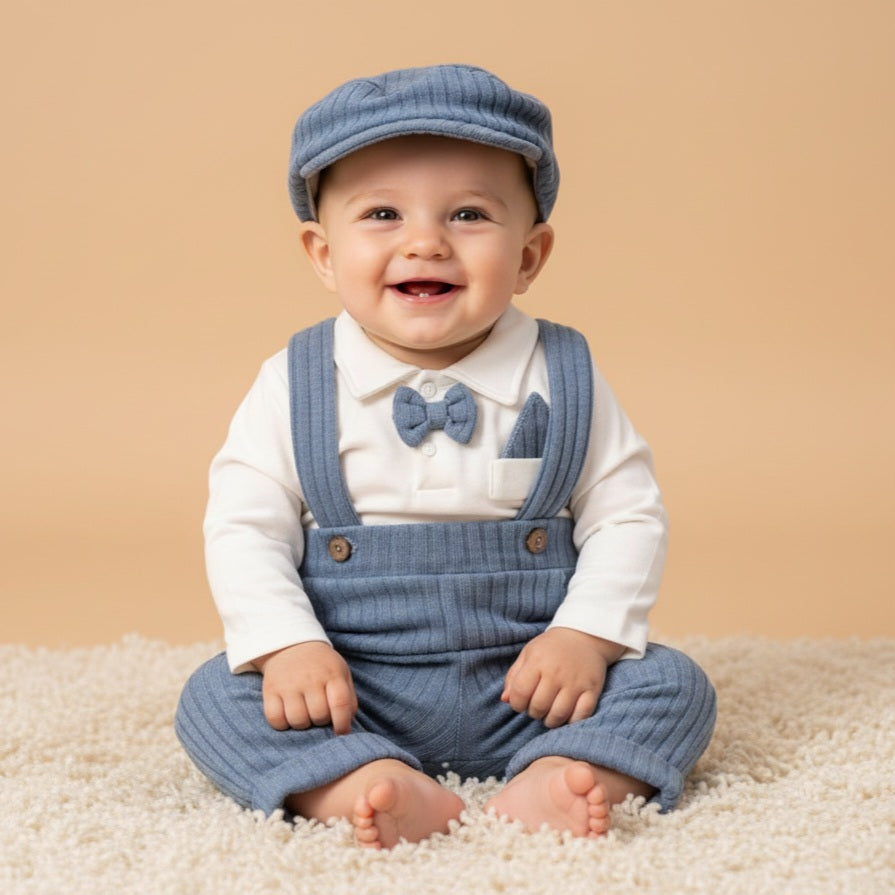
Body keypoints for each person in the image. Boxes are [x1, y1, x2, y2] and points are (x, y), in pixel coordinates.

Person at [175, 64, 716, 850]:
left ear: (529, 255)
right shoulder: (292, 381)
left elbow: (626, 512)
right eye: (382, 214)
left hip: (534, 683)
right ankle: (360, 779)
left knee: (673, 684)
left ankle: (560, 771)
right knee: (213, 696)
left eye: (467, 214)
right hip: (354, 685)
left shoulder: (564, 372)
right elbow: (244, 525)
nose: (424, 241)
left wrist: (586, 636)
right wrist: (289, 643)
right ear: (322, 254)